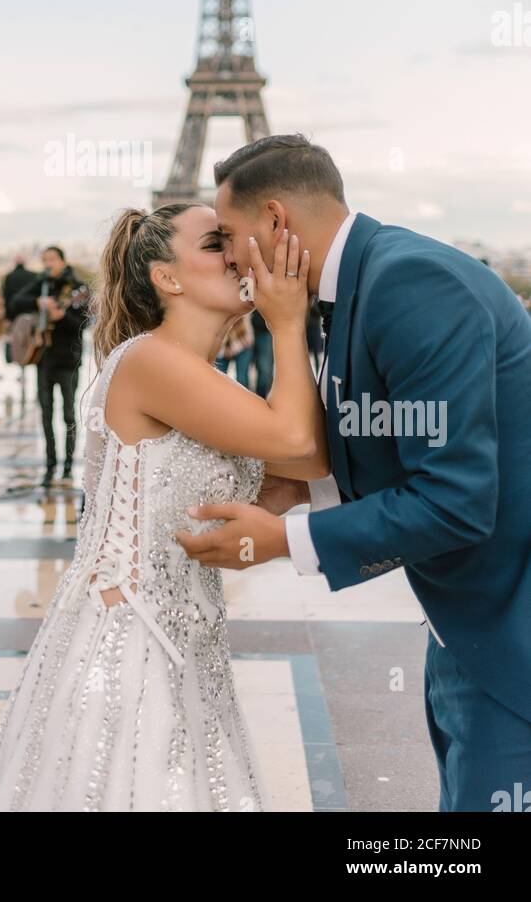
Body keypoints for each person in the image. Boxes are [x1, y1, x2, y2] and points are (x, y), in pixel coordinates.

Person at [178, 133, 531, 814]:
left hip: (510, 626)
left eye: (228, 234)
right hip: (466, 620)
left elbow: (455, 502)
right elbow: (391, 440)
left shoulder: (410, 284)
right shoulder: (354, 286)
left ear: (275, 220)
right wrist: (296, 489)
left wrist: (283, 540)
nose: (227, 254)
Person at [0, 203, 326, 811]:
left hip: (188, 638)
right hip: (128, 638)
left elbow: (306, 465)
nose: (237, 254)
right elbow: (296, 441)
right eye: (216, 242)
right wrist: (287, 325)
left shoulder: (204, 379)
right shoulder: (148, 361)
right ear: (168, 278)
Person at [9, 246, 89, 487]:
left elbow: (83, 323)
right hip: (43, 358)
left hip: (68, 359)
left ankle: (67, 467)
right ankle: (49, 464)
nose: (47, 264)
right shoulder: (41, 284)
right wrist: (37, 301)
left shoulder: (77, 288)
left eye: (52, 259)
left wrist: (60, 317)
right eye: (44, 260)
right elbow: (15, 302)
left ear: (63, 261)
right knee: (45, 413)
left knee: (67, 414)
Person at [215, 313, 253, 384]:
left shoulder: (243, 314)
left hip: (242, 346)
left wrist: (233, 349)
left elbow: (248, 339)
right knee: (219, 378)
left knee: (242, 379)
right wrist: (223, 351)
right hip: (222, 349)